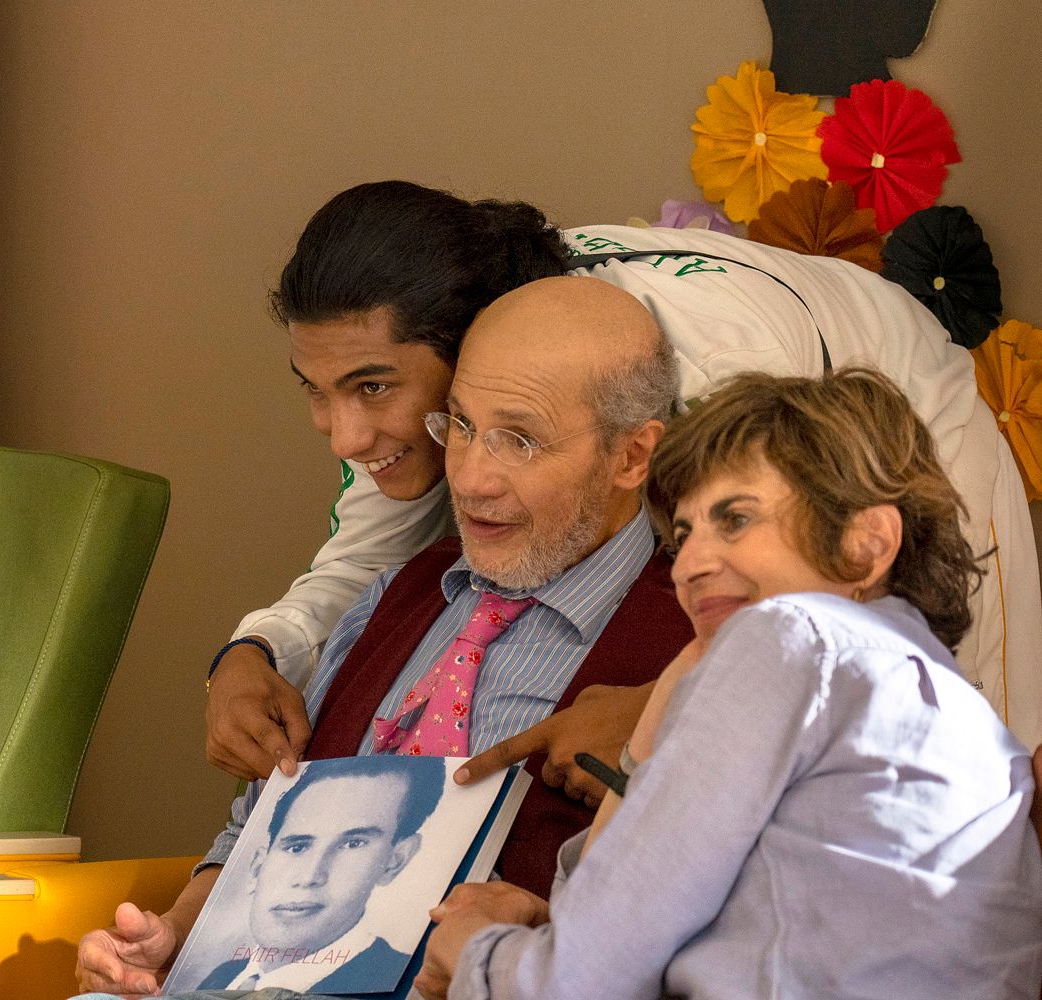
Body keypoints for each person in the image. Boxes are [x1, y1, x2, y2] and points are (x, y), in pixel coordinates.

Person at [208, 184, 1040, 800]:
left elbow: (845, 608)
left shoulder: (706, 372)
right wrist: (255, 653)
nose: (346, 437)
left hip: (899, 412)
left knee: (957, 756)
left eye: (371, 389)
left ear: (470, 351)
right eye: (318, 391)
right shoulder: (422, 381)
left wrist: (663, 709)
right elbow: (363, 565)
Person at [75, 276, 695, 998]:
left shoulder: (699, 651)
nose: (471, 479)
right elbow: (255, 830)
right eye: (461, 425)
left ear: (631, 456)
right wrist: (171, 943)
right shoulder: (391, 598)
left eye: (520, 440)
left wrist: (545, 933)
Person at [418, 369, 1042, 1000]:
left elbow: (575, 985)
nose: (688, 566)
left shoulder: (792, 638)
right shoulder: (946, 708)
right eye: (682, 536)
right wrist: (552, 927)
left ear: (865, 543)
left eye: (736, 519)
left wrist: (471, 948)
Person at [193, 756, 442, 991]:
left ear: (395, 861)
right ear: (258, 866)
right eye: (297, 847)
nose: (310, 877)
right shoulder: (221, 977)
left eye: (353, 844)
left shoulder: (410, 983)